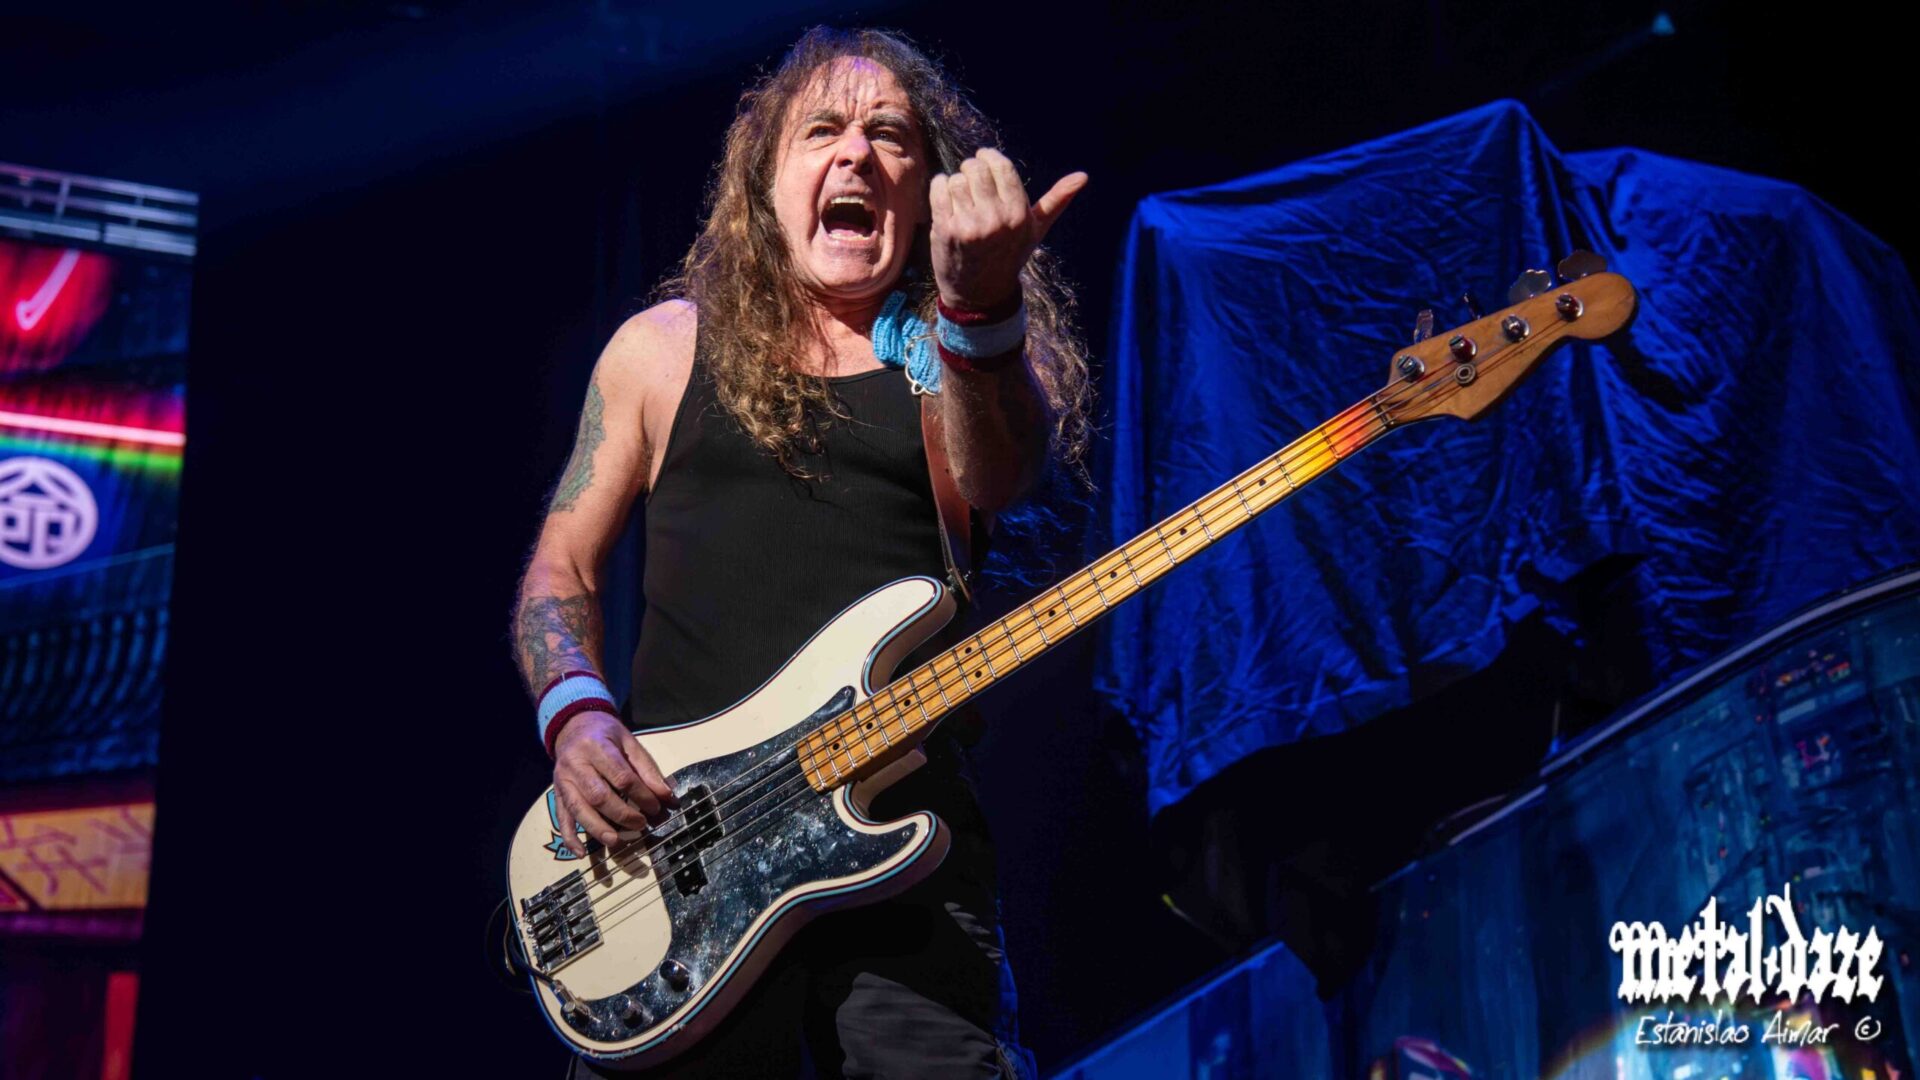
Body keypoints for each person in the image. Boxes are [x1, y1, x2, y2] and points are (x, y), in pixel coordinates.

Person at [509, 26, 1091, 1079]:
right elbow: (563, 571)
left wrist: (982, 312)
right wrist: (577, 716)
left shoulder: (964, 358)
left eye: (891, 136)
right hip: (678, 865)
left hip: (902, 854)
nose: (857, 153)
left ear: (926, 193)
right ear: (764, 182)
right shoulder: (661, 351)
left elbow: (1001, 477)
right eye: (822, 130)